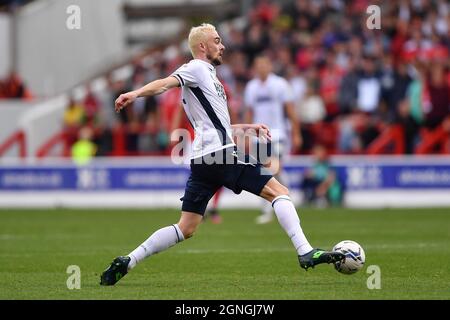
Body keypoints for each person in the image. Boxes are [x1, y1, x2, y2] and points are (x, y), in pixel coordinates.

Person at [100, 23, 344, 286]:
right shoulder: (195, 68)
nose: (222, 45)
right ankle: (305, 251)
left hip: (204, 159)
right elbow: (163, 84)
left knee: (186, 227)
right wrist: (134, 93)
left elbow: (213, 125)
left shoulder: (209, 78)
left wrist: (246, 127)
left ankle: (129, 260)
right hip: (221, 154)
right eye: (217, 40)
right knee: (280, 191)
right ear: (202, 46)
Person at [244, 55, 302, 224]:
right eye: (258, 65)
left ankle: (280, 204)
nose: (261, 68)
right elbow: (249, 112)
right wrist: (247, 136)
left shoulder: (280, 84)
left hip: (277, 134)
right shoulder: (251, 87)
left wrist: (296, 133)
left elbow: (290, 110)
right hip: (259, 137)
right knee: (266, 172)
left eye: (264, 64)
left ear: (270, 66)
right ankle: (278, 204)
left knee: (271, 170)